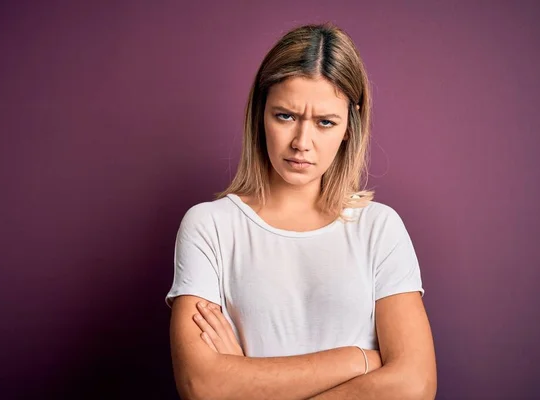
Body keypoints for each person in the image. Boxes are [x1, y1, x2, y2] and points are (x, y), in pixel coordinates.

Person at [165, 22, 437, 400]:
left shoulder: (379, 229)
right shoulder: (209, 227)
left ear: (348, 127)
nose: (301, 143)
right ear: (261, 113)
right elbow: (203, 385)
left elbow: (415, 385)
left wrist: (246, 381)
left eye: (325, 122)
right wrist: (358, 360)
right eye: (285, 116)